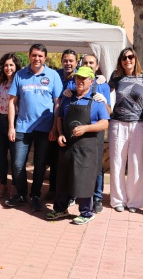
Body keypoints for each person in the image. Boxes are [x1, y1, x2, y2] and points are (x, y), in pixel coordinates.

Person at [46, 67, 110, 224]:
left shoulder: (97, 100)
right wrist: (60, 133)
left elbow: (104, 123)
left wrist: (86, 128)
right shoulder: (68, 98)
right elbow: (60, 117)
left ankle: (87, 213)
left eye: (83, 78)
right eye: (77, 78)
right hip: (67, 146)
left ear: (91, 81)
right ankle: (60, 210)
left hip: (86, 148)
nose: (79, 81)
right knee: (63, 179)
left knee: (83, 180)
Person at [5, 43, 63, 212]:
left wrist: (55, 128)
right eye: (34, 55)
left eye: (40, 56)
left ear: (45, 58)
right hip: (23, 127)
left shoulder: (52, 75)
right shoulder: (20, 75)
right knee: (17, 164)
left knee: (39, 165)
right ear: (29, 56)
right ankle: (22, 194)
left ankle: (35, 195)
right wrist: (11, 127)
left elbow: (57, 103)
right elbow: (11, 101)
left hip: (45, 129)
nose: (37, 58)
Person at [64, 54, 111, 213]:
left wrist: (103, 101)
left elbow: (108, 113)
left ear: (97, 66)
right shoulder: (74, 82)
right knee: (77, 165)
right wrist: (67, 93)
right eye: (85, 62)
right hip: (76, 132)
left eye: (91, 63)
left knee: (96, 166)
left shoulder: (103, 85)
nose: (88, 65)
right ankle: (74, 195)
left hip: (94, 133)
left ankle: (96, 197)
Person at [109, 47, 143, 213]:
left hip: (139, 125)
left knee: (136, 163)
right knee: (117, 162)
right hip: (118, 123)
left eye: (131, 57)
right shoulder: (116, 76)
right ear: (121, 61)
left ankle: (134, 202)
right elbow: (106, 93)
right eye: (124, 58)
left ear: (135, 59)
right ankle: (117, 200)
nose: (128, 60)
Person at [46, 49, 79, 200]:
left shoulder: (80, 76)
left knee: (72, 161)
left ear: (76, 62)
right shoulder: (55, 75)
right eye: (65, 60)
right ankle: (53, 189)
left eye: (71, 60)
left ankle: (72, 194)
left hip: (75, 124)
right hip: (56, 123)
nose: (68, 63)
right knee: (54, 160)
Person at [0, 53, 22, 198]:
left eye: (11, 65)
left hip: (15, 121)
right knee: (1, 155)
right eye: (6, 65)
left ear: (16, 66)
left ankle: (15, 186)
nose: (8, 68)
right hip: (0, 121)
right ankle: (3, 184)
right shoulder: (1, 82)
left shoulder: (20, 82)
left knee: (15, 156)